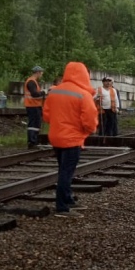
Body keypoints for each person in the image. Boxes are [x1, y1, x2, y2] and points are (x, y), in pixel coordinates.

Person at [42, 62, 98, 218]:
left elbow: (46, 116)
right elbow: (90, 121)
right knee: (66, 173)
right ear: (84, 75)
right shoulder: (83, 94)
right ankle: (62, 208)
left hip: (56, 136)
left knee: (63, 169)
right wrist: (88, 131)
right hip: (72, 139)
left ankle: (68, 199)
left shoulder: (54, 92)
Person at [24, 65, 45, 149]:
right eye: (41, 72)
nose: (42, 74)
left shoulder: (33, 81)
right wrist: (43, 92)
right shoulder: (31, 82)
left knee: (36, 124)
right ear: (37, 72)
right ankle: (32, 142)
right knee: (33, 124)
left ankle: (34, 141)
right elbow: (34, 94)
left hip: (34, 105)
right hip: (32, 106)